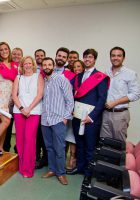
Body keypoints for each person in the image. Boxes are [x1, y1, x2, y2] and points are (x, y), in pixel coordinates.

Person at [69, 49, 109, 184]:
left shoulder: (100, 77)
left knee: (90, 146)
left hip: (91, 119)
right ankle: (79, 168)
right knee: (79, 143)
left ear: (94, 59)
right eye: (85, 57)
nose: (87, 59)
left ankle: (89, 173)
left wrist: (91, 116)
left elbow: (102, 99)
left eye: (90, 57)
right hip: (77, 116)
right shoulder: (78, 76)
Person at [41, 57, 74, 185]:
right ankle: (52, 169)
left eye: (49, 64)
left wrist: (65, 118)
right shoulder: (43, 81)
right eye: (44, 65)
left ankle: (61, 173)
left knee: (59, 148)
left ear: (53, 66)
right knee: (49, 147)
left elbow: (70, 100)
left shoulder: (61, 79)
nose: (47, 66)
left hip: (58, 120)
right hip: (45, 120)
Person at [12, 56, 44, 177]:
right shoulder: (18, 77)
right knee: (20, 140)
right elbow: (14, 95)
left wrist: (29, 108)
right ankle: (21, 166)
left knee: (29, 139)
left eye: (30, 63)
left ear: (33, 65)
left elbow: (40, 94)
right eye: (25, 63)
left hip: (34, 112)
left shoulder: (38, 76)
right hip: (19, 111)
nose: (28, 65)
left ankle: (28, 169)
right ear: (22, 65)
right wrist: (21, 108)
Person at [100, 47, 140, 141]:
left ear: (123, 58)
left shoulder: (130, 73)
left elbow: (136, 94)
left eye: (119, 55)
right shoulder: (106, 72)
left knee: (118, 146)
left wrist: (115, 102)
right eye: (113, 55)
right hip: (105, 113)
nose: (115, 58)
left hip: (120, 114)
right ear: (110, 57)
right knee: (104, 144)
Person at [0, 42, 18, 155]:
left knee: (6, 123)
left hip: (9, 98)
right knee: (6, 121)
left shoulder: (14, 65)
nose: (4, 51)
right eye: (1, 50)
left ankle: (1, 147)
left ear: (9, 50)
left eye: (6, 49)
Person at [65, 60, 85, 171]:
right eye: (75, 67)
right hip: (69, 111)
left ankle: (73, 159)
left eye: (79, 66)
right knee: (68, 136)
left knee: (74, 137)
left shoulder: (85, 80)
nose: (77, 68)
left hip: (80, 112)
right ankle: (66, 158)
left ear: (83, 68)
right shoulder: (72, 79)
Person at [3, 47, 23, 152]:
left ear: (22, 56)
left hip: (21, 102)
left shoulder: (25, 68)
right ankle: (6, 147)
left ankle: (18, 148)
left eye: (18, 54)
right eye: (14, 54)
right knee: (8, 124)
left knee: (19, 127)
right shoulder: (8, 66)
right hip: (9, 100)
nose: (16, 56)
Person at [34, 48, 47, 169]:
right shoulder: (32, 70)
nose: (39, 57)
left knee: (44, 135)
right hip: (35, 107)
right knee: (36, 134)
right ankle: (36, 156)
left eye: (41, 55)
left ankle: (45, 158)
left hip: (46, 107)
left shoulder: (47, 70)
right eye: (37, 55)